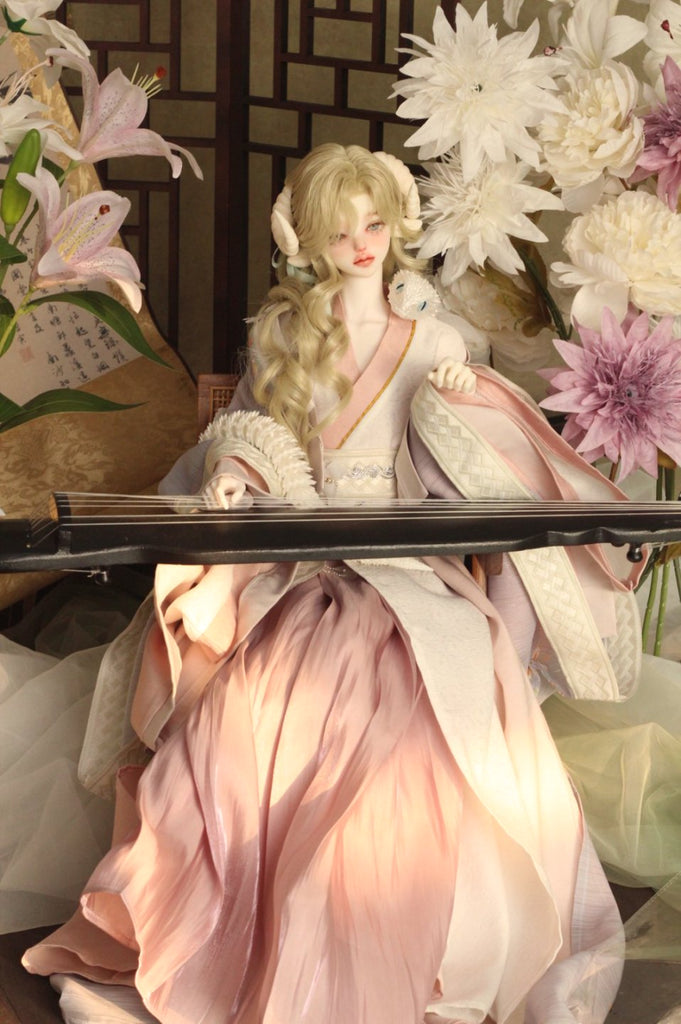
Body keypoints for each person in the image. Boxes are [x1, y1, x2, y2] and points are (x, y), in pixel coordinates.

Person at [22, 143, 645, 1024]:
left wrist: (462, 401)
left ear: (395, 228)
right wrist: (235, 470)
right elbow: (248, 433)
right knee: (241, 709)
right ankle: (212, 936)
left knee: (407, 701)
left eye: (375, 224)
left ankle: (419, 939)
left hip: (407, 569)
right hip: (303, 561)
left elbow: (460, 473)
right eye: (340, 229)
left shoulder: (434, 340)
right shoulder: (284, 338)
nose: (360, 244)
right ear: (307, 240)